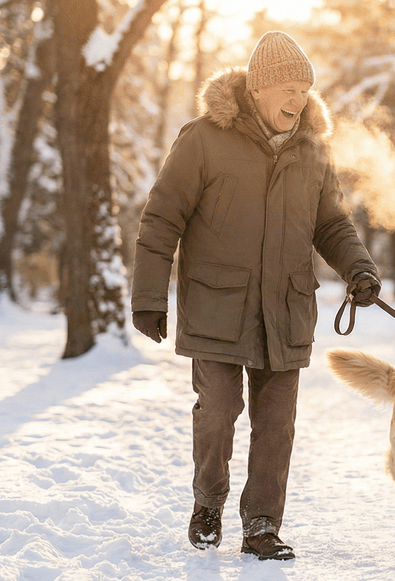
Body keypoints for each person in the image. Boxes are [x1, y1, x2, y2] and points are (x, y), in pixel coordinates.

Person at [130, 31, 380, 560]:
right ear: (260, 88)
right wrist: (149, 296)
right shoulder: (203, 139)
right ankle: (208, 502)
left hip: (285, 309)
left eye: (306, 88)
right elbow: (162, 217)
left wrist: (359, 269)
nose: (299, 99)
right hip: (218, 306)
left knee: (276, 425)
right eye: (289, 87)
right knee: (217, 413)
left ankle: (263, 524)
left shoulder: (313, 152)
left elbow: (332, 224)